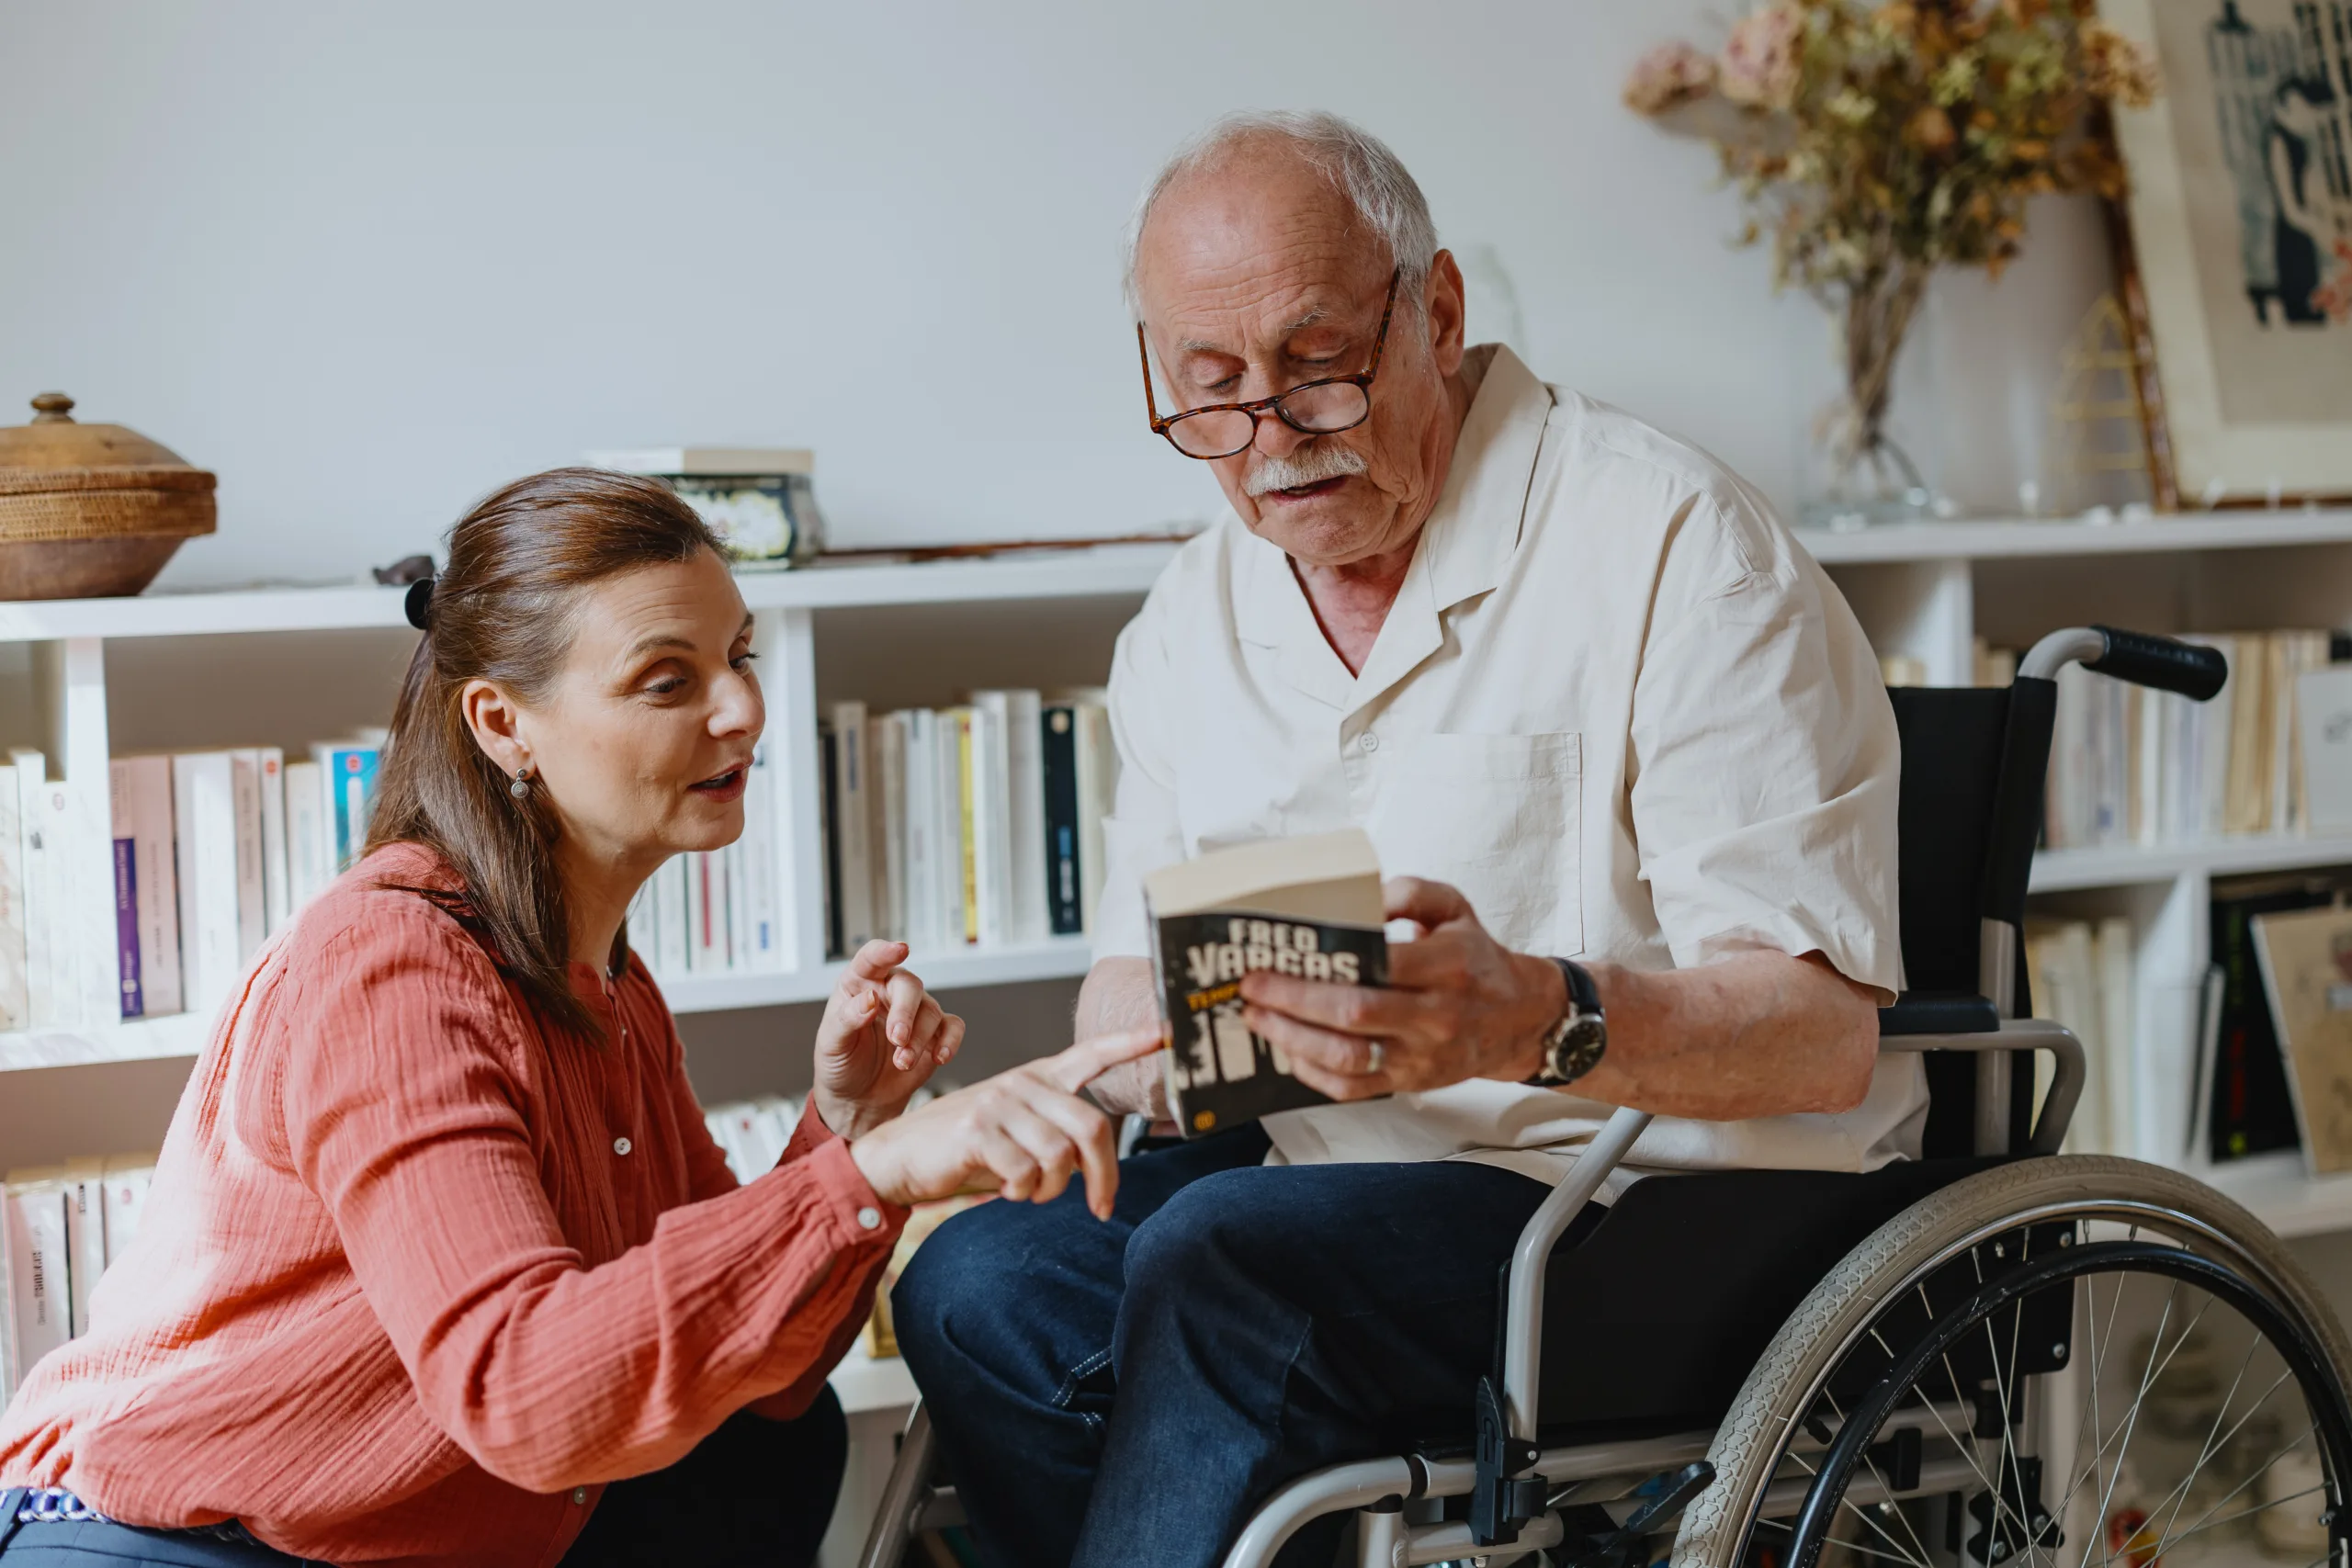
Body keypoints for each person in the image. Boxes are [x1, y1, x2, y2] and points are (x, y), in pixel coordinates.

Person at [891, 111, 1906, 1568]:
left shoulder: (1675, 545)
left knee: (1217, 1258)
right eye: (1210, 390)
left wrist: (1537, 1016)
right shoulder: (1190, 620)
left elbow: (1817, 1037)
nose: (1267, 441)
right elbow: (1130, 974)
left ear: (1433, 311)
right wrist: (1131, 1059)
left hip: (1638, 1203)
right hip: (1315, 1173)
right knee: (981, 1274)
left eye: (1316, 367)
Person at [0, 469, 1157, 1568]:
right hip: (172, 1537)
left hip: (418, 1538)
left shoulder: (608, 983)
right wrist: (877, 1175)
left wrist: (843, 1129)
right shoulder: (389, 963)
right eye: (668, 679)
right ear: (504, 724)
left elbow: (760, 1370)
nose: (745, 708)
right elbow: (521, 1389)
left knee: (762, 1444)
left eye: (740, 656)